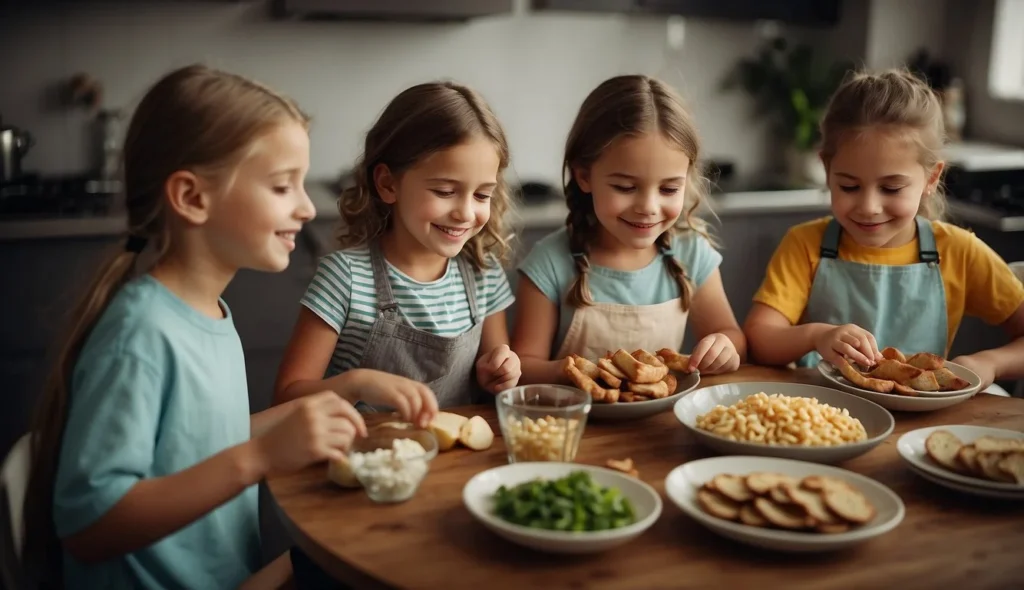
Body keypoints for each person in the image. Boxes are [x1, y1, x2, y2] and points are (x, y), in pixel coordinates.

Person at [20, 64, 409, 590]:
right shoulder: (141, 335)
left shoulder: (209, 312)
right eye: (280, 185)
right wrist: (261, 458)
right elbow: (89, 527)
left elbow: (198, 446)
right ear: (192, 197)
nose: (306, 206)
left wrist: (347, 387)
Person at [744, 69, 1024, 389]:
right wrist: (817, 335)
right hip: (825, 419)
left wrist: (990, 363)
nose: (869, 206)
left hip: (920, 427)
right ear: (826, 169)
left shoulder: (959, 252)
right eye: (849, 186)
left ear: (931, 179)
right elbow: (759, 339)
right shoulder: (805, 244)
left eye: (891, 189)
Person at [274, 81, 521, 411]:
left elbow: (492, 378)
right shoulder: (344, 278)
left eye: (481, 195)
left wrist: (500, 372)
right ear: (388, 184)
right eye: (445, 191)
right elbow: (285, 398)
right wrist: (356, 383)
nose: (465, 212)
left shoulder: (484, 274)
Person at [512, 74, 746, 384]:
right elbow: (524, 366)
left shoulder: (692, 253)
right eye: (625, 187)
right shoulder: (550, 262)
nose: (648, 206)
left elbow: (732, 337)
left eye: (668, 189)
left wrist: (724, 348)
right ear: (584, 175)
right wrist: (574, 373)